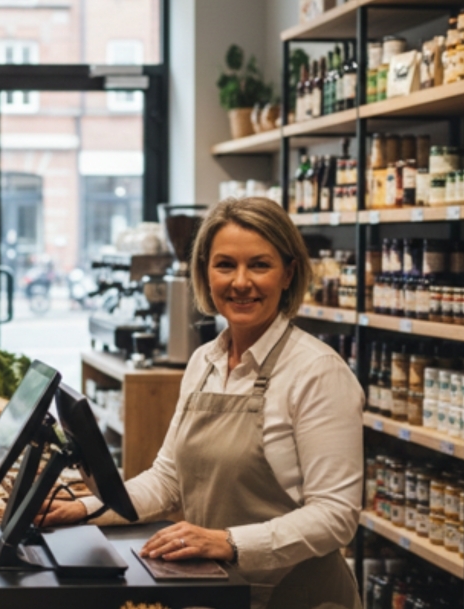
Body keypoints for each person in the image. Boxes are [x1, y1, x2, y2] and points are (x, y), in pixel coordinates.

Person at [42, 197, 364, 609]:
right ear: (205, 273)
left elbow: (335, 517)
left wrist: (228, 541)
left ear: (289, 274)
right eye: (225, 265)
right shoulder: (205, 361)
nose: (241, 282)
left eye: (260, 265)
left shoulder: (317, 372)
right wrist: (85, 509)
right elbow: (168, 480)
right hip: (218, 592)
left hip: (294, 597)